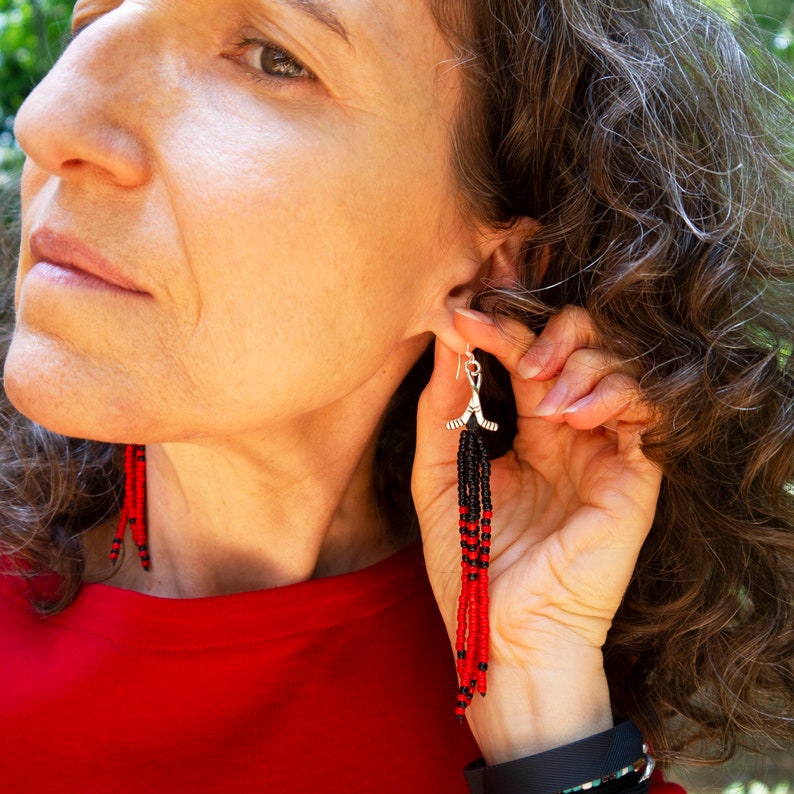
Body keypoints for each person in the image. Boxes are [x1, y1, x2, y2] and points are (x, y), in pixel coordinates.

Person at [0, 0, 791, 791]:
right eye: (97, 11)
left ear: (492, 264)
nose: (49, 119)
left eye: (275, 57)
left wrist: (540, 710)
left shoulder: (523, 673)